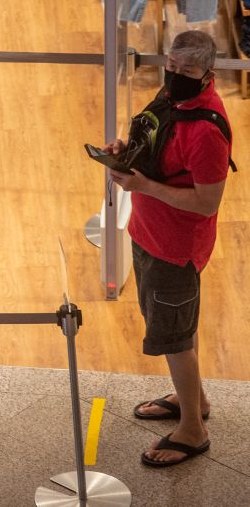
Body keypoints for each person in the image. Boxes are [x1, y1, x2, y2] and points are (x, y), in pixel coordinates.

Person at [104, 31, 231, 467]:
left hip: (175, 248)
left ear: (208, 75)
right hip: (149, 232)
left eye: (187, 72)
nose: (175, 77)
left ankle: (193, 430)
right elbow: (157, 140)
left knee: (175, 338)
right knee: (182, 328)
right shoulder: (175, 98)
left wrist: (144, 186)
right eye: (172, 68)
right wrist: (126, 152)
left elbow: (207, 202)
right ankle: (193, 398)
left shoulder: (208, 132)